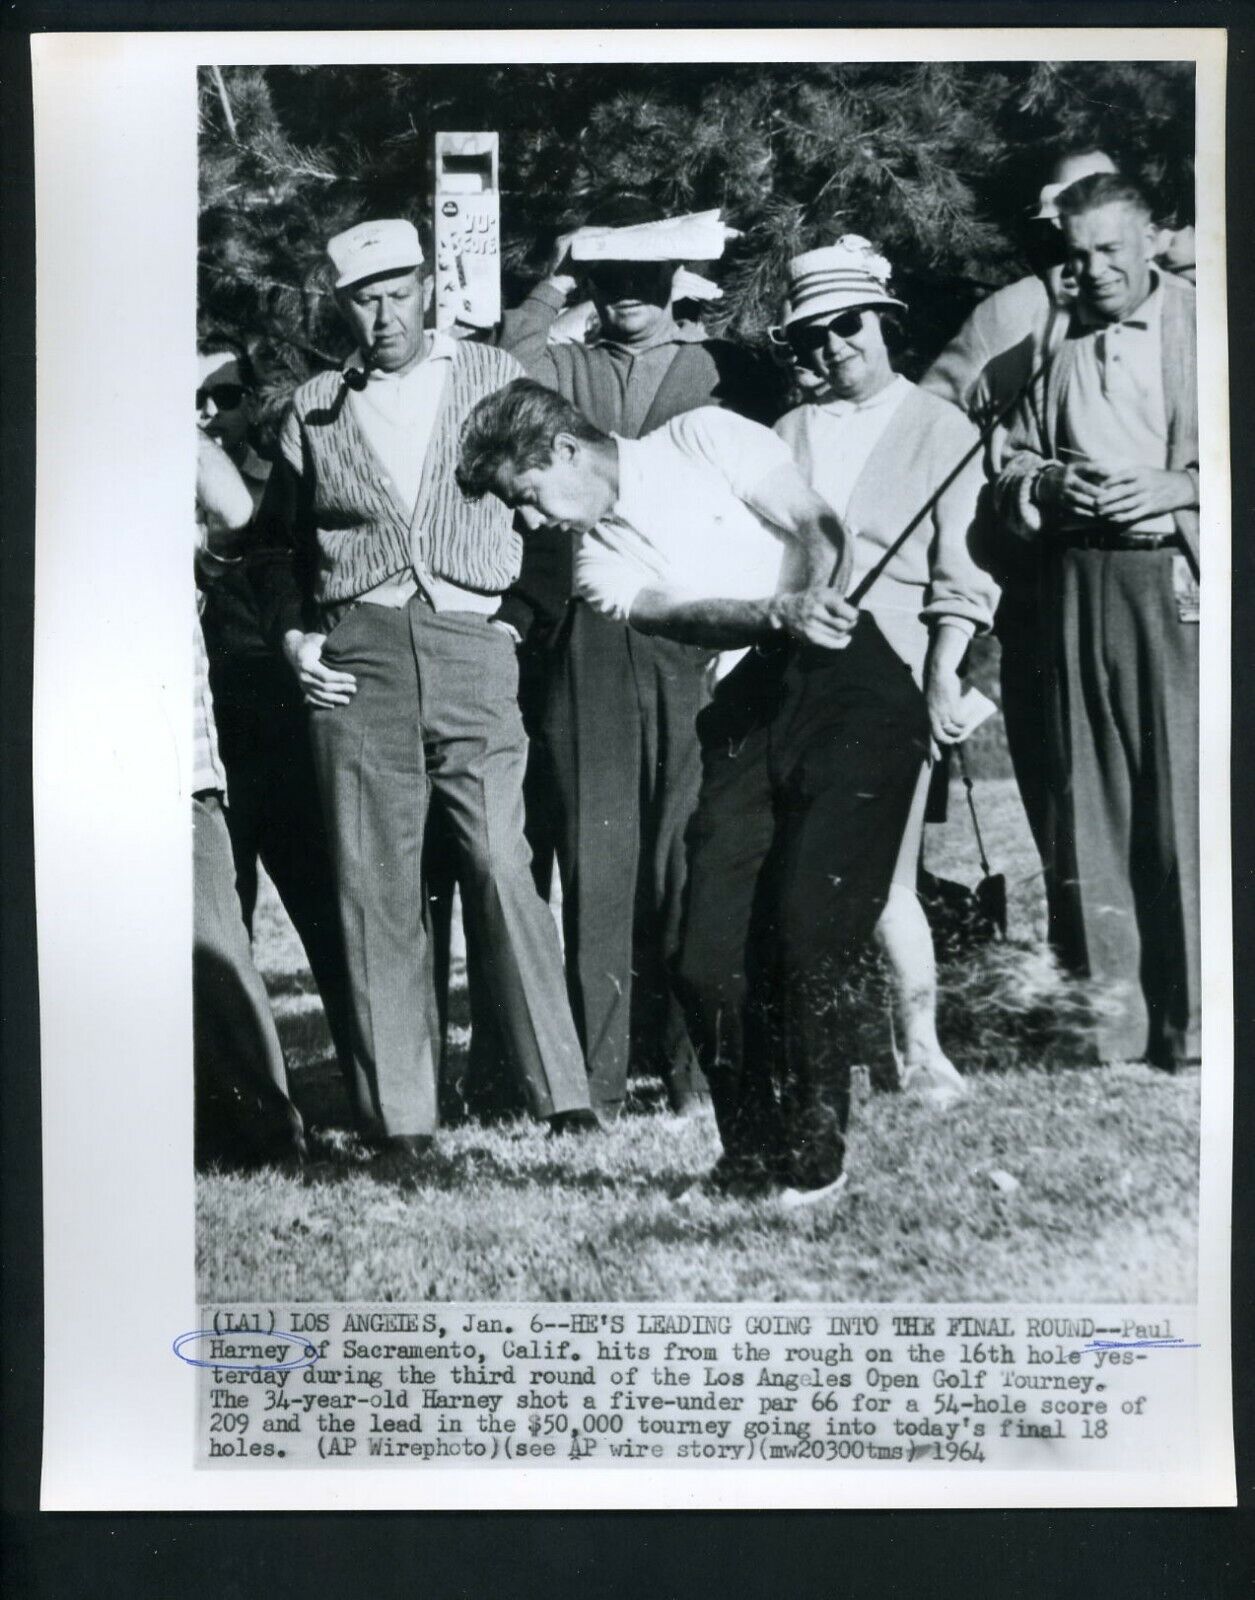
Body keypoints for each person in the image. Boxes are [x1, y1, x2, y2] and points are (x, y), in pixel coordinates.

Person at [457, 379, 929, 1208]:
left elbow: (814, 522)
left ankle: (815, 1163)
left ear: (565, 451)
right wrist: (776, 612)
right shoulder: (597, 562)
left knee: (808, 932)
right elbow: (686, 615)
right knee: (702, 953)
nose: (526, 523)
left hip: (852, 691)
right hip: (745, 715)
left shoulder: (703, 435)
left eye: (525, 497)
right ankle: (747, 1157)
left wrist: (815, 589)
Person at [251, 217, 595, 1161]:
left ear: (429, 289)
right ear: (341, 306)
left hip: (473, 639)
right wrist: (294, 636)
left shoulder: (494, 380)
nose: (383, 315)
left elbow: (562, 510)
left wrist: (517, 623)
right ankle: (400, 1116)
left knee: (496, 856)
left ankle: (562, 1092)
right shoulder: (315, 408)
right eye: (362, 298)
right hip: (355, 656)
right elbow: (274, 546)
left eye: (398, 291)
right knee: (374, 882)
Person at [495, 197, 771, 1118]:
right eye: (610, 280)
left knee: (685, 851)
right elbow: (507, 361)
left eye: (645, 278)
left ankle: (694, 1072)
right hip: (592, 632)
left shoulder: (711, 365)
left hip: (690, 621)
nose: (627, 298)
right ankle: (598, 1080)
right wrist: (556, 281)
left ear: (674, 278)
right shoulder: (564, 363)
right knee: (598, 853)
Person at [771, 238, 999, 1106]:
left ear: (886, 323)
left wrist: (944, 674)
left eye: (848, 325)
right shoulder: (787, 431)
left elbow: (959, 573)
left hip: (895, 667)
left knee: (884, 876)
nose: (833, 347)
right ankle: (839, 1051)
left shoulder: (941, 430)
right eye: (811, 337)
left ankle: (922, 1049)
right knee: (805, 874)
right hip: (798, 672)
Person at [993, 173, 1199, 1071]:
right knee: (1089, 803)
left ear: (1151, 239)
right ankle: (1108, 1029)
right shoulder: (1053, 341)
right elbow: (1006, 463)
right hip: (1074, 582)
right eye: (1077, 257)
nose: (1095, 272)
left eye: (1111, 249)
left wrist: (1183, 486)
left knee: (1184, 807)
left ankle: (1198, 1028)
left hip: (1175, 580)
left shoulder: (1204, 326)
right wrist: (1045, 483)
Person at [921, 149, 1117, 954]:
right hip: (1042, 582)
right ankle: (1086, 965)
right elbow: (928, 421)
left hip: (1168, 583)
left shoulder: (1184, 306)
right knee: (1062, 781)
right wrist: (1000, 470)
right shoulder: (1010, 314)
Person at [196, 344, 358, 1095]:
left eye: (223, 396)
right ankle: (238, 1095)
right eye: (193, 397)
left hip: (279, 721)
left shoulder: (281, 490)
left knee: (325, 913)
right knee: (223, 920)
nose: (207, 413)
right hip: (204, 729)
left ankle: (369, 1082)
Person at [194, 433, 306, 1169]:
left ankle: (270, 1136)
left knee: (214, 947)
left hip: (185, 755)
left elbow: (238, 520)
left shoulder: (188, 476)